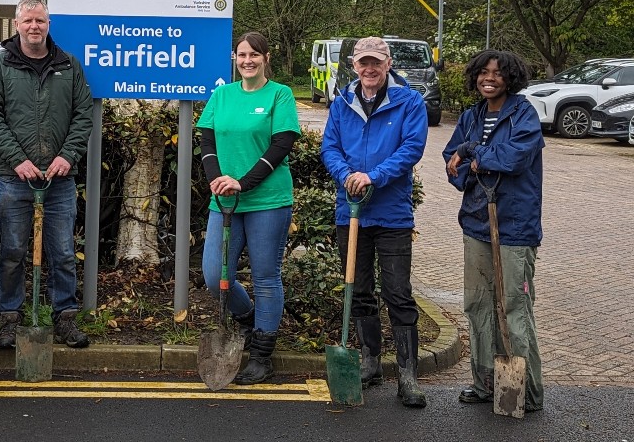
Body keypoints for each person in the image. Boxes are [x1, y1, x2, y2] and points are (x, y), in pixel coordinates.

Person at [0, 0, 94, 350]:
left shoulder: (68, 65)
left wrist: (67, 156)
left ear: (48, 24)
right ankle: (9, 320)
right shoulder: (0, 66)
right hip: (15, 179)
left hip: (59, 180)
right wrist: (17, 159)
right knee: (12, 251)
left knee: (61, 251)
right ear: (16, 24)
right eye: (28, 21)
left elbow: (83, 116)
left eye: (40, 21)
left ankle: (65, 318)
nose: (34, 27)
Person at [320, 36, 428, 408]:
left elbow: (411, 148)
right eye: (363, 63)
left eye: (376, 63)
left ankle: (408, 374)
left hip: (392, 213)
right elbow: (329, 147)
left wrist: (373, 176)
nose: (369, 69)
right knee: (359, 289)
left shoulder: (409, 101)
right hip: (350, 212)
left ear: (388, 63)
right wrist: (347, 174)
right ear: (354, 65)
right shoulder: (342, 102)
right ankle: (369, 362)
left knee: (397, 292)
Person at [196, 31, 300, 385]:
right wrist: (217, 179)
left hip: (267, 200)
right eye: (242, 55)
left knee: (265, 275)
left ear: (266, 58)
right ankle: (251, 321)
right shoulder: (221, 94)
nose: (248, 61)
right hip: (223, 199)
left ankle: (261, 354)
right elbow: (206, 138)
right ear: (234, 58)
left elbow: (281, 144)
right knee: (214, 274)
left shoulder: (280, 95)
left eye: (254, 54)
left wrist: (243, 181)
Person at [443, 49, 544, 412]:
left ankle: (527, 390)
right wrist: (467, 163)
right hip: (476, 223)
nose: (490, 78)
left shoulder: (524, 115)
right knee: (478, 305)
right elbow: (451, 163)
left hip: (515, 227)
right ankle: (485, 383)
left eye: (498, 73)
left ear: (510, 79)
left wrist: (472, 153)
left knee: (514, 306)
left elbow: (514, 159)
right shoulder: (471, 116)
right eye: (484, 72)